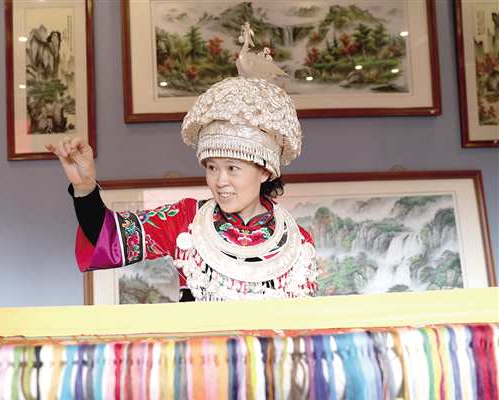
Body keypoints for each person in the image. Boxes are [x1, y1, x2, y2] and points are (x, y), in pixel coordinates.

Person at [47, 24, 318, 302]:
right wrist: (84, 187)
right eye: (211, 167)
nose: (220, 181)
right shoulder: (185, 220)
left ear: (265, 171)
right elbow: (110, 237)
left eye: (232, 168)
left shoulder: (297, 242)